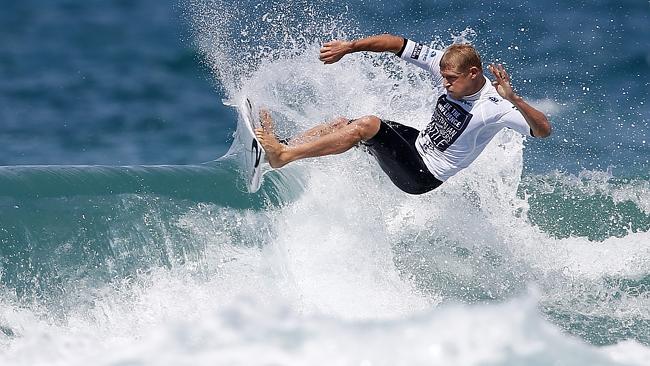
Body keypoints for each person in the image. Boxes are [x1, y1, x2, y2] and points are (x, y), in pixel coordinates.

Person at [255, 34, 552, 194]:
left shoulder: (496, 107)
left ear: (473, 73)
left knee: (368, 125)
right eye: (444, 76)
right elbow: (397, 44)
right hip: (417, 146)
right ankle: (283, 145)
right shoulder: (445, 65)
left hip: (424, 175)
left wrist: (514, 98)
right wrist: (351, 47)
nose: (445, 83)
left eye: (451, 79)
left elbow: (543, 130)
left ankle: (283, 156)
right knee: (344, 124)